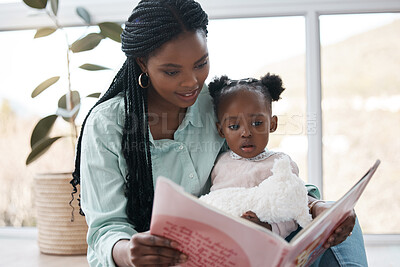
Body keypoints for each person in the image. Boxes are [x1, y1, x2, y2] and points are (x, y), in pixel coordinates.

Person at [70, 0, 368, 266]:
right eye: (172, 71)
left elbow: (257, 172)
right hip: (167, 258)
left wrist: (317, 206)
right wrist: (128, 252)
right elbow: (106, 230)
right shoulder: (107, 125)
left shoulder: (213, 104)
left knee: (338, 227)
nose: (191, 82)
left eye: (201, 64)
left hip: (234, 244)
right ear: (142, 63)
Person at [201, 73, 312, 239]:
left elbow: (291, 208)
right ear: (221, 130)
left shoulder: (280, 164)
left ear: (272, 124)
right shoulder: (219, 163)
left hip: (265, 242)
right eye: (234, 126)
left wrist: (268, 227)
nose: (246, 133)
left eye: (257, 123)